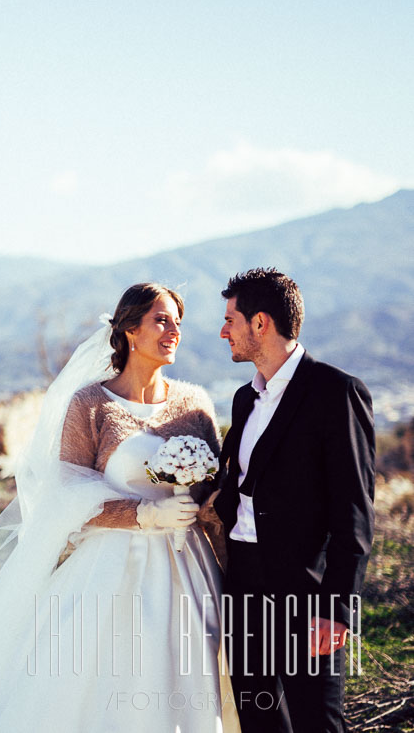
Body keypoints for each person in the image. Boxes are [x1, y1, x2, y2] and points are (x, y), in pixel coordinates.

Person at [0, 283, 240, 732]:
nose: (173, 332)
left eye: (177, 323)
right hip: (109, 571)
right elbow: (65, 497)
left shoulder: (196, 403)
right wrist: (142, 515)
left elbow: (214, 490)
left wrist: (202, 508)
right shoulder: (90, 405)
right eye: (161, 320)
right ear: (128, 330)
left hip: (189, 571)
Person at [214, 268, 375, 732]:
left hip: (307, 594)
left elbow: (355, 513)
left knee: (315, 723)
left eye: (231, 319)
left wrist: (337, 607)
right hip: (243, 586)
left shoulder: (335, 391)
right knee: (258, 721)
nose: (223, 331)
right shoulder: (245, 399)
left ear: (260, 323)